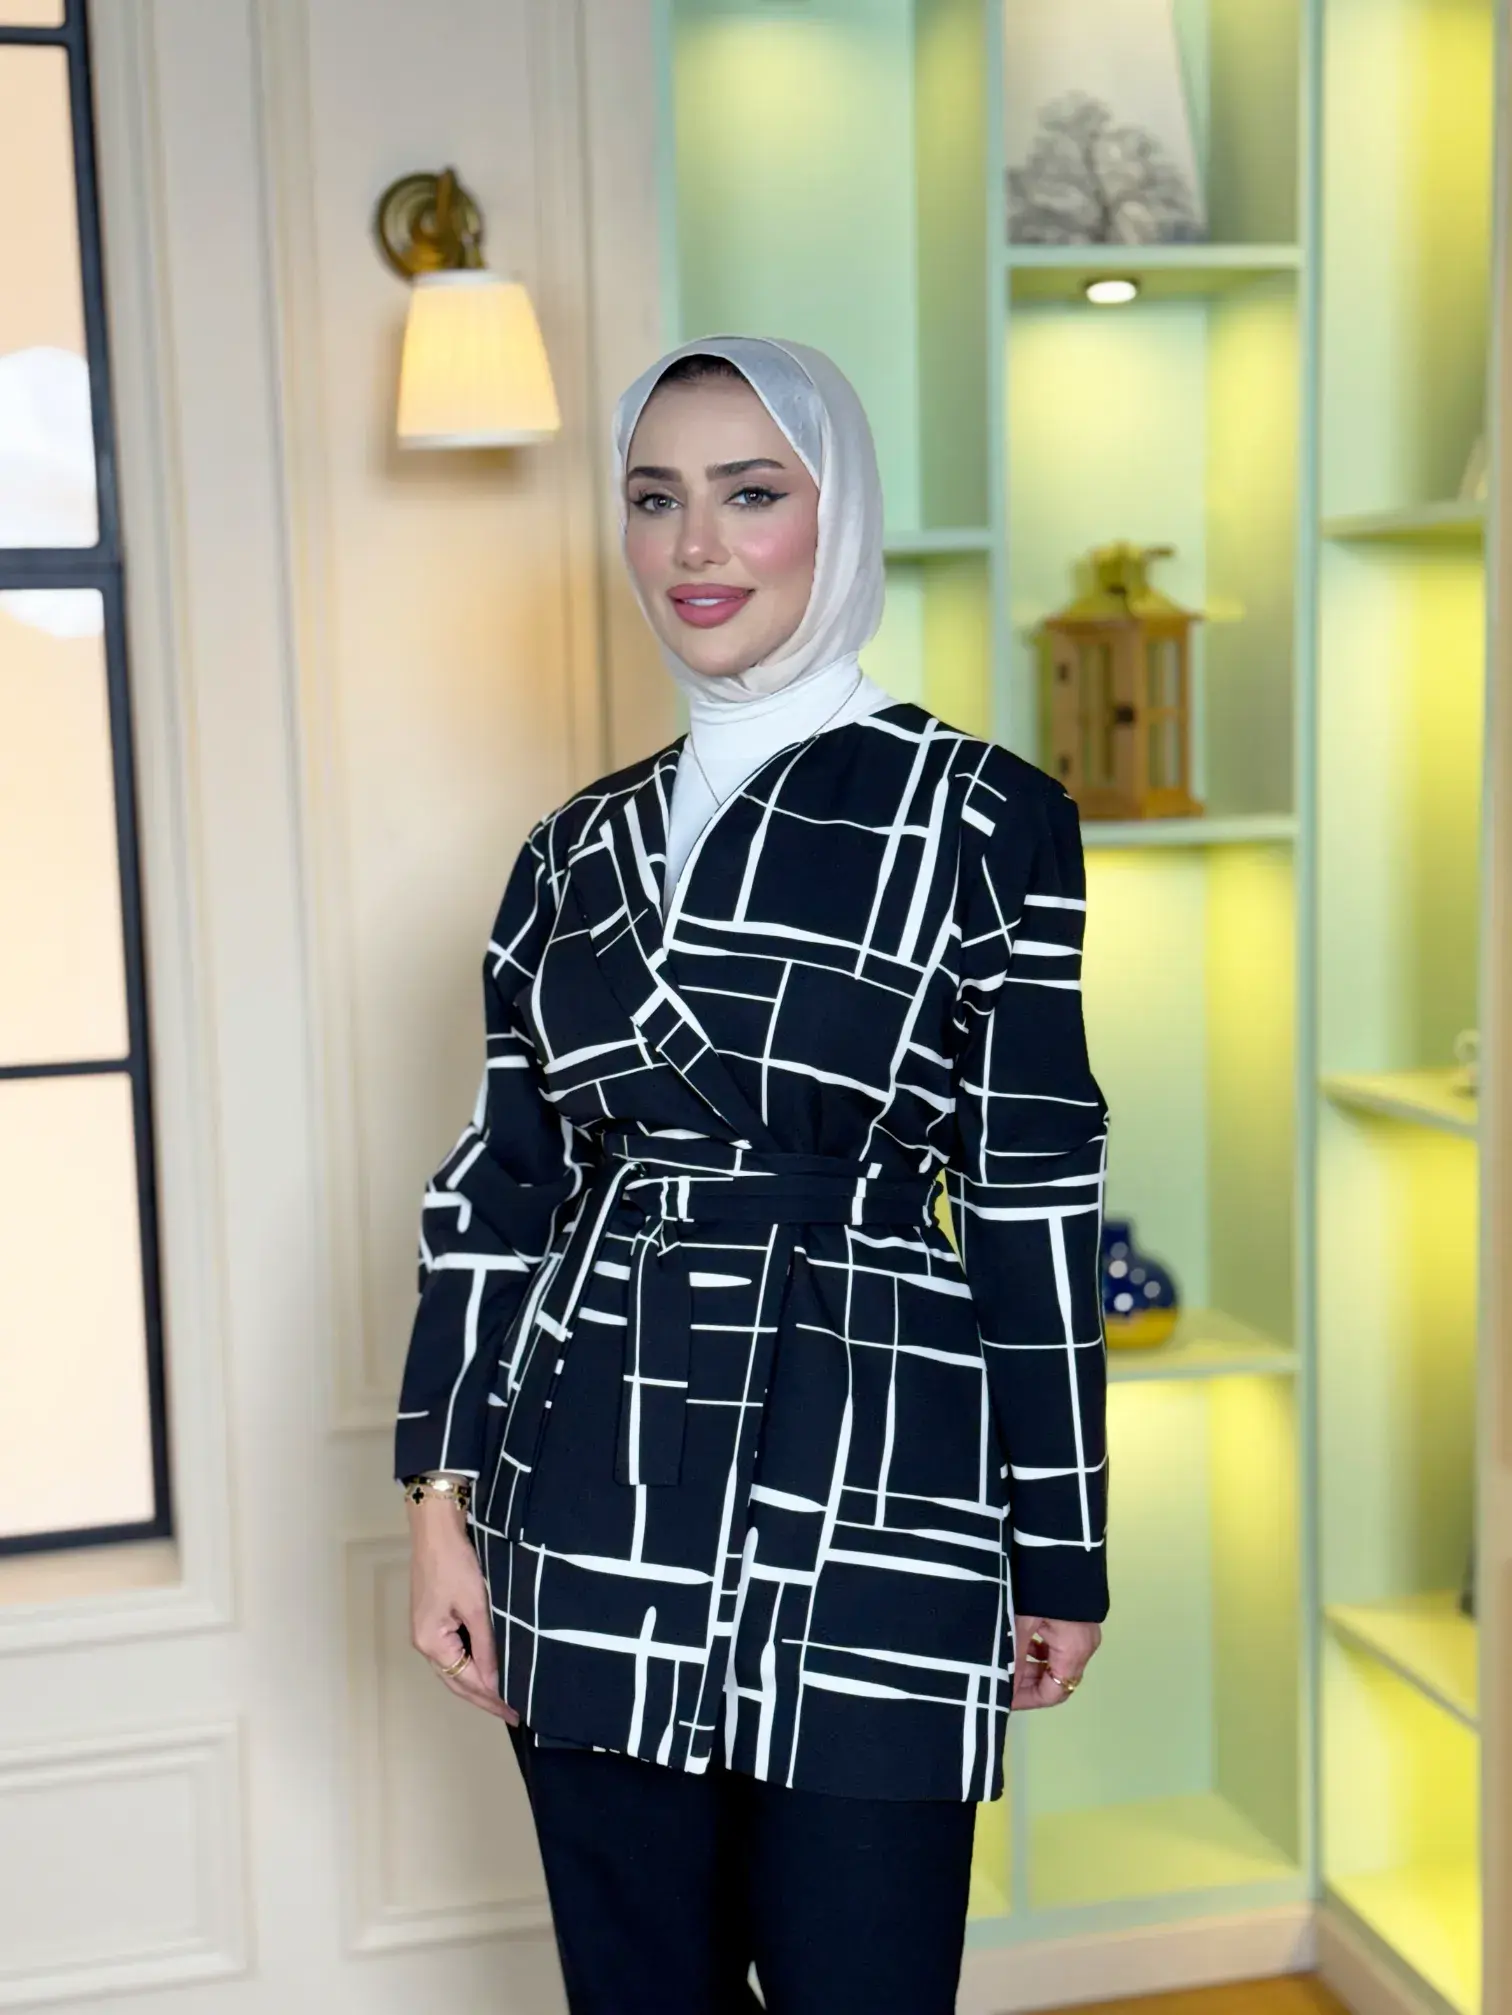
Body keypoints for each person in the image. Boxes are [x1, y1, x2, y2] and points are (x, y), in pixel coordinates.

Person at [396, 336, 1109, 2015]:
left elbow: (1033, 1192)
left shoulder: (984, 817)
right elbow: (501, 1185)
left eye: (751, 492)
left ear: (835, 512)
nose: (697, 546)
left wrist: (1062, 1543)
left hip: (884, 1490)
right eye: (656, 499)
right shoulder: (569, 852)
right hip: (593, 1493)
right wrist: (439, 1502)